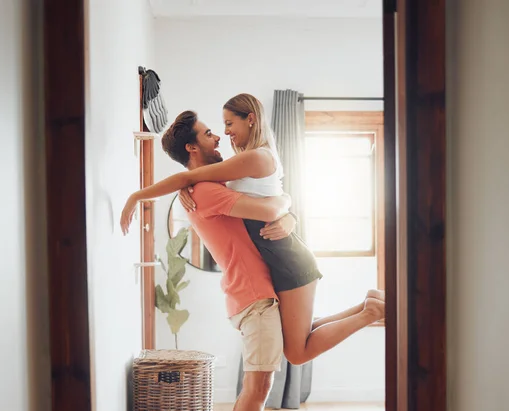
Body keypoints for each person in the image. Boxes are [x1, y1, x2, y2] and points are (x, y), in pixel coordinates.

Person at [121, 95, 385, 367]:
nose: (224, 133)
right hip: (279, 258)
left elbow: (193, 176)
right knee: (300, 336)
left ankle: (370, 313)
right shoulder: (244, 160)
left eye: (228, 123)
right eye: (215, 130)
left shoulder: (254, 157)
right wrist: (182, 184)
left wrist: (138, 196)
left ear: (251, 119)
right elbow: (194, 176)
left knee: (297, 353)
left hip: (288, 259)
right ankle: (369, 305)